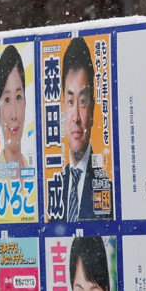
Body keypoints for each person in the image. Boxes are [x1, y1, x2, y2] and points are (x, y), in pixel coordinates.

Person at [60, 37, 110, 221]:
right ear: (62, 106)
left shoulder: (106, 187)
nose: (76, 117)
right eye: (71, 102)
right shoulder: (54, 185)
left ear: (93, 108)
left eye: (82, 102)